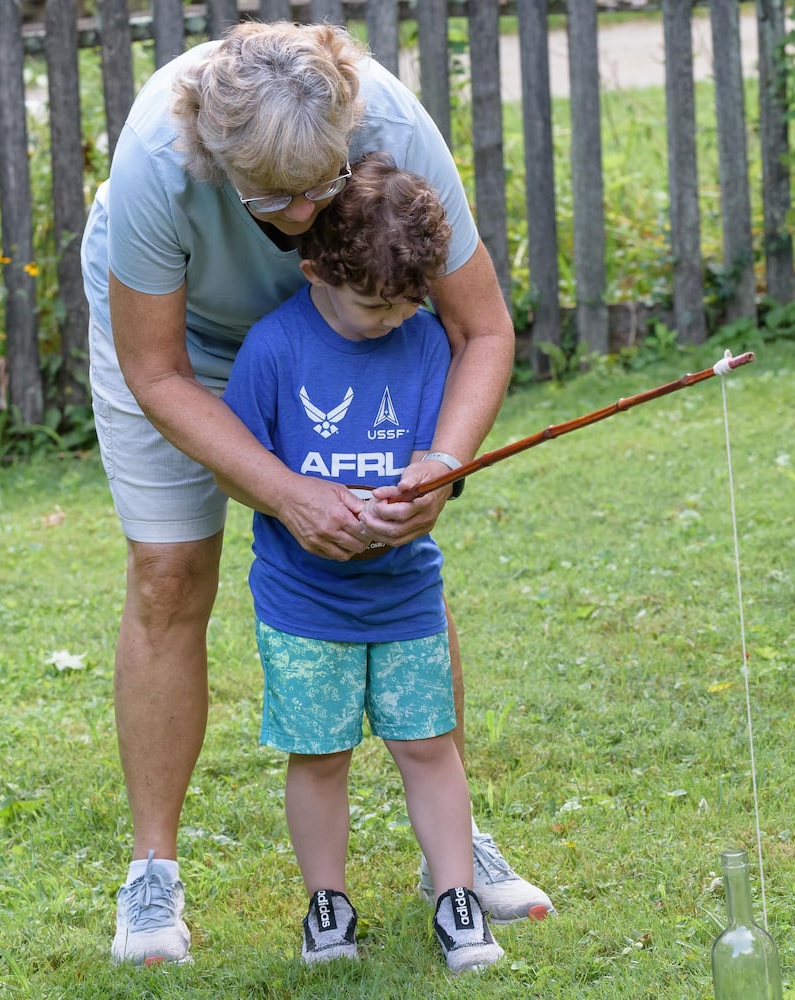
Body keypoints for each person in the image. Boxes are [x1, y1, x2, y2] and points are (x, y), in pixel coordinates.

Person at [80, 21, 551, 966]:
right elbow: (157, 371)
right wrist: (287, 492)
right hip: (187, 348)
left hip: (355, 318)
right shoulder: (155, 162)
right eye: (270, 197)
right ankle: (152, 877)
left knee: (399, 553)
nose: (299, 214)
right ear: (216, 154)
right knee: (169, 574)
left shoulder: (395, 128)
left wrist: (439, 464)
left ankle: (448, 854)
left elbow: (484, 329)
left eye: (320, 187)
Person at [219, 151, 505, 972]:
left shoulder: (421, 344)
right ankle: (328, 906)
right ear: (314, 271)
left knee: (428, 745)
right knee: (319, 757)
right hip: (302, 604)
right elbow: (242, 468)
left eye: (406, 306)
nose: (389, 321)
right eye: (371, 306)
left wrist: (430, 480)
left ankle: (455, 894)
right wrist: (295, 499)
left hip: (404, 596)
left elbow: (432, 454)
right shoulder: (273, 351)